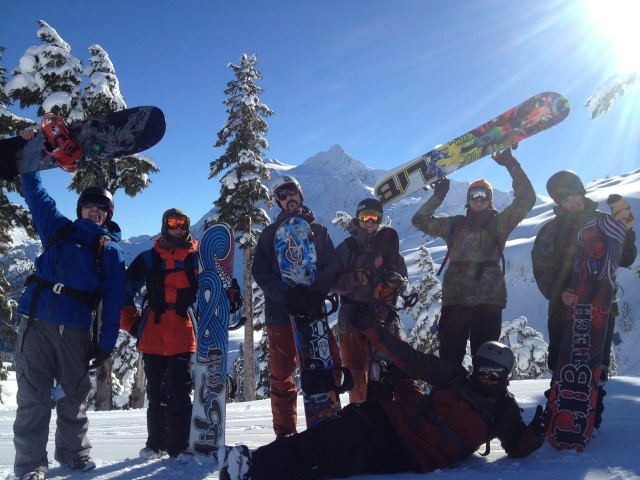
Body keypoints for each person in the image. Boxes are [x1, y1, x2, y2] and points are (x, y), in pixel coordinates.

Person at [219, 315, 548, 480]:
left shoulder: (503, 409)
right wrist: (372, 330)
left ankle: (261, 472)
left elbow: (517, 446)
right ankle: (253, 465)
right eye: (482, 369)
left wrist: (539, 429)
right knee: (332, 431)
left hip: (414, 453)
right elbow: (410, 358)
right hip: (392, 417)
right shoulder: (455, 376)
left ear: (505, 378)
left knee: (340, 462)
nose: (486, 377)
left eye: (494, 374)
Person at [13, 169, 125, 480]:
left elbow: (113, 303)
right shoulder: (58, 229)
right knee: (33, 398)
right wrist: (30, 160)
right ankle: (30, 466)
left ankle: (74, 456)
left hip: (74, 333)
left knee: (73, 397)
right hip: (34, 325)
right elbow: (36, 196)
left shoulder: (111, 251)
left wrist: (105, 345)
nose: (94, 211)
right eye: (89, 205)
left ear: (107, 215)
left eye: (101, 208)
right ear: (80, 208)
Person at [531, 170, 636, 430]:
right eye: (563, 198)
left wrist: (627, 232)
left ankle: (590, 416)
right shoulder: (550, 230)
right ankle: (557, 410)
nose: (571, 201)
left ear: (581, 191)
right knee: (560, 362)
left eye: (573, 193)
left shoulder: (605, 222)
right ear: (558, 201)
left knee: (594, 364)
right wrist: (559, 293)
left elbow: (626, 258)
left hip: (599, 307)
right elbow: (541, 269)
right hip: (562, 308)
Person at [411, 147, 535, 365]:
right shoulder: (454, 224)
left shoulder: (499, 223)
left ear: (490, 199)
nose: (479, 199)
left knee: (486, 359)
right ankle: (449, 396)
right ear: (467, 200)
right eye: (474, 195)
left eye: (484, 195)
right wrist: (438, 195)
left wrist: (510, 163)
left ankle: (484, 398)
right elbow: (419, 220)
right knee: (449, 359)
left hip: (487, 302)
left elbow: (526, 199)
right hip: (455, 300)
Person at [251, 175, 338, 437]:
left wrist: (316, 294)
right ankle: (286, 435)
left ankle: (329, 427)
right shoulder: (269, 235)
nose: (288, 198)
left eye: (291, 192)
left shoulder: (319, 231)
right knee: (281, 378)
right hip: (280, 315)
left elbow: (331, 265)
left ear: (300, 193)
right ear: (277, 202)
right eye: (281, 195)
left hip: (313, 314)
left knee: (326, 368)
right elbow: (260, 271)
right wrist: (284, 295)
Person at [120, 208, 198, 463]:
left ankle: (180, 447)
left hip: (183, 333)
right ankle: (156, 445)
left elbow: (213, 288)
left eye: (182, 223)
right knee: (156, 394)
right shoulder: (149, 258)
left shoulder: (197, 258)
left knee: (179, 392)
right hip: (153, 334)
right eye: (172, 223)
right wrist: (131, 324)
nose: (178, 228)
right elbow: (124, 291)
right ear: (165, 226)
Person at [332, 198, 409, 403]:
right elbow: (331, 282)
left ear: (380, 219)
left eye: (374, 217)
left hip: (383, 318)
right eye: (364, 216)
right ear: (357, 218)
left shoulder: (388, 246)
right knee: (357, 375)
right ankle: (359, 422)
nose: (369, 221)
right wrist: (355, 279)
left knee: (390, 371)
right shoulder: (347, 248)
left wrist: (398, 283)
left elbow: (402, 278)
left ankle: (392, 420)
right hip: (352, 320)